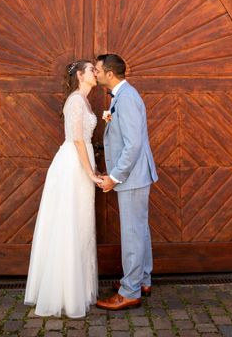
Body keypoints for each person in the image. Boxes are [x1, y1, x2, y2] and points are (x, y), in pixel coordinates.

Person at [24, 60, 103, 318]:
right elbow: (78, 138)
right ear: (80, 75)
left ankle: (77, 289)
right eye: (91, 69)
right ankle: (64, 293)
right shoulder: (76, 101)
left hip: (81, 162)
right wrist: (90, 171)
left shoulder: (84, 100)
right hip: (72, 166)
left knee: (80, 222)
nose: (95, 72)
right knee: (69, 223)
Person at [94, 53, 159, 311]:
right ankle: (142, 279)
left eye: (98, 70)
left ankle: (130, 292)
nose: (96, 73)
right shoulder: (122, 96)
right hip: (135, 175)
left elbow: (133, 146)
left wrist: (114, 177)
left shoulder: (128, 98)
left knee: (132, 233)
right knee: (139, 229)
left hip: (132, 176)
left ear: (110, 74)